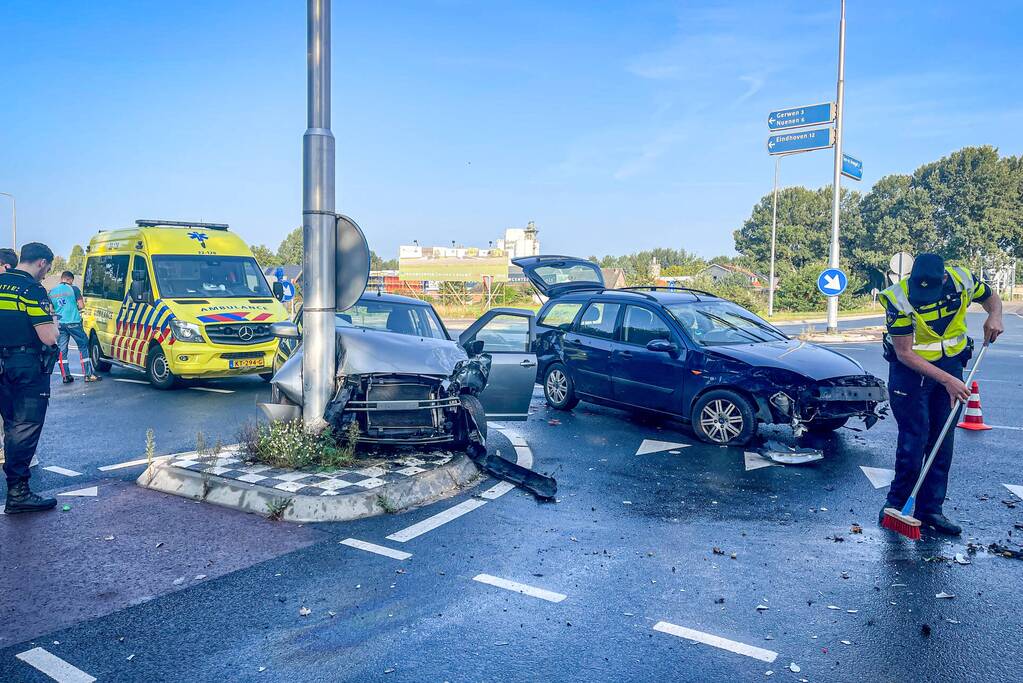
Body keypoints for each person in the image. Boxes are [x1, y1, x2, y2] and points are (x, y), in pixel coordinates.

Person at [878, 253, 1003, 536]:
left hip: (950, 364)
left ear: (944, 279)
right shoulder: (898, 298)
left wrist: (994, 315)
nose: (924, 297)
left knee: (942, 439)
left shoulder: (962, 280)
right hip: (909, 373)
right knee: (914, 439)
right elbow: (904, 352)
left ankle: (930, 510)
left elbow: (991, 298)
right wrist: (948, 380)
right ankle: (895, 506)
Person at [0, 242, 60, 513]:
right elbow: (48, 336)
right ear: (41, 263)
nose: (46, 273)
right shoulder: (32, 290)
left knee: (10, 424)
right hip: (24, 366)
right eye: (47, 268)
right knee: (24, 427)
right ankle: (18, 492)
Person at [49, 270, 100, 383]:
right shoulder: (74, 289)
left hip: (60, 324)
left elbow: (51, 309)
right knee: (83, 346)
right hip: (74, 323)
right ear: (70, 279)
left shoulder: (52, 291)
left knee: (62, 350)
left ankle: (66, 376)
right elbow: (81, 306)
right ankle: (88, 375)